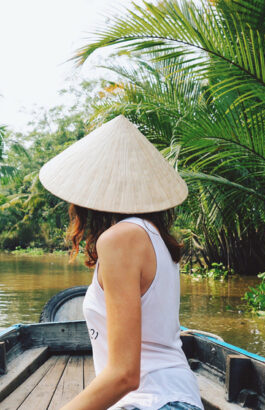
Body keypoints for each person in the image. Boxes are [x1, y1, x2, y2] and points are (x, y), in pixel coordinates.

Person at [38, 115, 204, 410]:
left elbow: (125, 375)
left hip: (154, 402)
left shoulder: (121, 238)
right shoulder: (153, 236)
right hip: (172, 397)